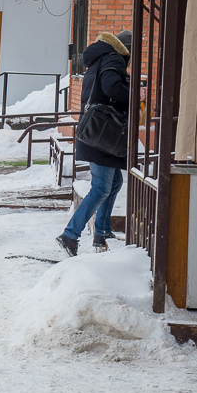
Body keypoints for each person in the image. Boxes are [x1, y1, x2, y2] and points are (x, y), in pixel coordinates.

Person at [57, 30, 132, 257]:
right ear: (126, 48)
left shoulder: (98, 61)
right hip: (103, 136)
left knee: (115, 182)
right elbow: (112, 89)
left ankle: (102, 230)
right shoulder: (113, 59)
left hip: (96, 134)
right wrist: (134, 94)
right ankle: (70, 234)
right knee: (100, 188)